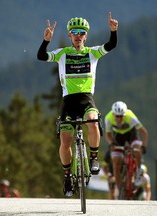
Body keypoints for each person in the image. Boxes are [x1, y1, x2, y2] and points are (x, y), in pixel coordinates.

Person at [37, 12, 118, 197]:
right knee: (65, 141)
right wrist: (46, 40)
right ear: (69, 35)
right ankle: (67, 176)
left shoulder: (92, 53)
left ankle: (94, 158)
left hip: (86, 99)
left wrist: (113, 31)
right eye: (75, 32)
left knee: (92, 120)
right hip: (68, 101)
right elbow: (41, 56)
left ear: (86, 35)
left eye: (82, 32)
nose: (78, 35)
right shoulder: (63, 54)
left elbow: (111, 45)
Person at [104, 101, 148, 192]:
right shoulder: (108, 118)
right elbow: (108, 134)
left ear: (125, 114)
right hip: (118, 137)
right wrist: (111, 143)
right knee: (116, 161)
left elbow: (144, 132)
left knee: (136, 150)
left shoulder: (131, 116)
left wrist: (143, 146)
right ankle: (120, 189)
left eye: (121, 116)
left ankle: (138, 174)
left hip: (131, 134)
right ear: (113, 114)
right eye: (117, 116)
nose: (119, 119)